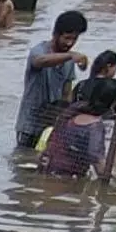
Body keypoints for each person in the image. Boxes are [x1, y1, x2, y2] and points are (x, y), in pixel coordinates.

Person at [16, 10, 89, 148]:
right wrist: (70, 56)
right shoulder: (39, 51)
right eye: (67, 38)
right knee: (23, 160)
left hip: (52, 124)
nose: (70, 43)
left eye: (74, 39)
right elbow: (39, 61)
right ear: (55, 34)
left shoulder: (69, 60)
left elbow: (67, 93)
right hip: (30, 124)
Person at [38, 86, 114, 178]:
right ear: (113, 104)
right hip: (67, 176)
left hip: (47, 166)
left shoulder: (75, 109)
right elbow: (96, 158)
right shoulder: (95, 126)